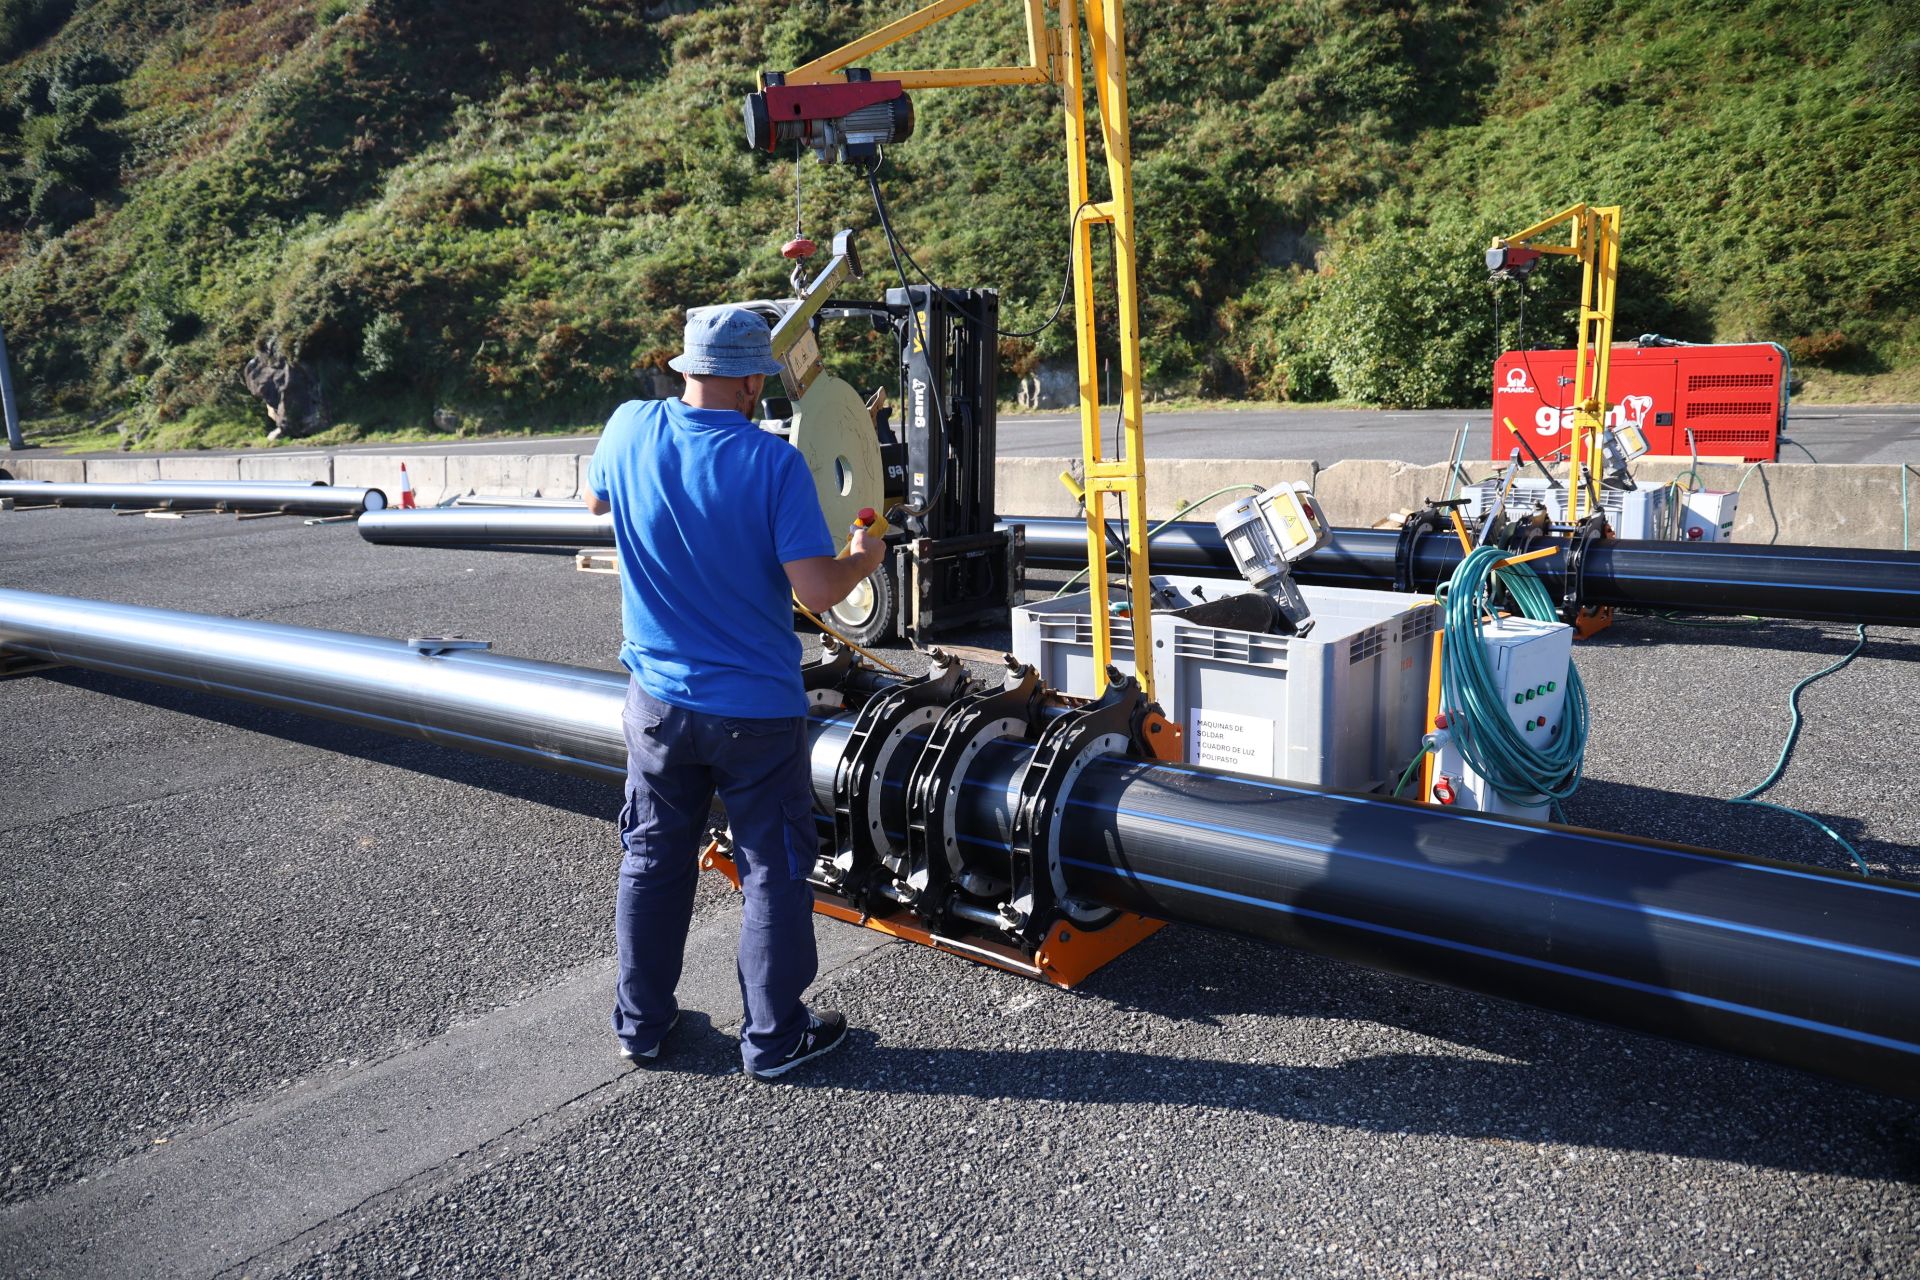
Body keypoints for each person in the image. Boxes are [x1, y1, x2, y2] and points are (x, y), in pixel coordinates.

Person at [585, 305, 887, 1082]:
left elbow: (598, 506)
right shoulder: (771, 463)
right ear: (754, 381)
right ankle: (775, 1038)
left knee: (652, 857)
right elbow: (817, 593)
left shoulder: (625, 429)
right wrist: (862, 555)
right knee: (771, 868)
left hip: (655, 701)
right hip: (754, 711)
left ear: (685, 367)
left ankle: (642, 1027)